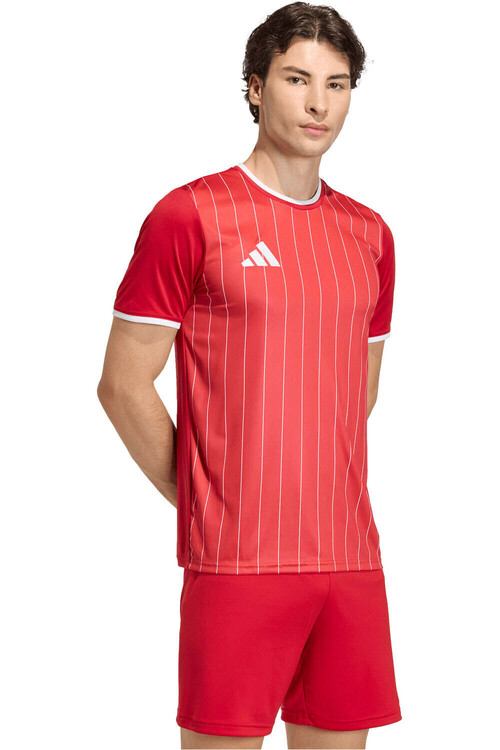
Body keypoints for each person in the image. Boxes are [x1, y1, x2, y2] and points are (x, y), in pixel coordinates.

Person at [97, 3, 402, 748]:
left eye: (337, 84)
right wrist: (205, 500)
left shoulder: (370, 234)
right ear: (256, 87)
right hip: (237, 563)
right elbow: (122, 384)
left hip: (350, 557)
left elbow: (357, 388)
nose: (318, 102)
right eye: (297, 79)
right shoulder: (190, 215)